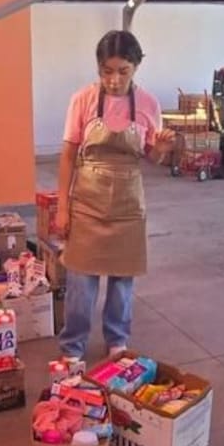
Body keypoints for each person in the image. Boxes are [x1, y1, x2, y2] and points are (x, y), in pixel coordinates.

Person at [55, 30, 176, 361]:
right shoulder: (82, 100)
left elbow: (152, 157)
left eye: (123, 71)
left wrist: (161, 149)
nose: (114, 80)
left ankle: (117, 341)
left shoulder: (149, 104)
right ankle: (73, 346)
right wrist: (62, 207)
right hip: (87, 202)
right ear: (98, 68)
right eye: (107, 71)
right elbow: (68, 156)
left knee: (123, 281)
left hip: (128, 205)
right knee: (80, 282)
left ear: (136, 67)